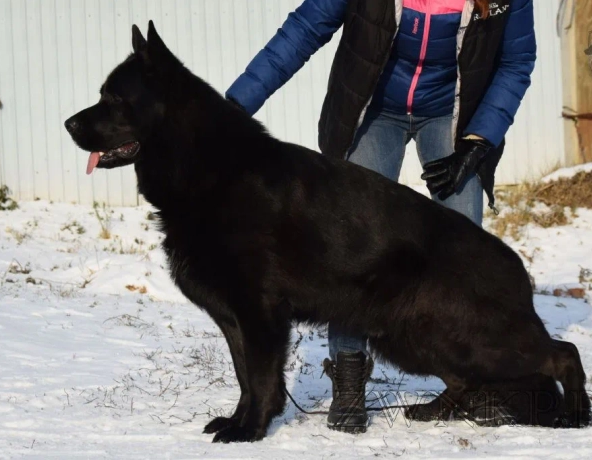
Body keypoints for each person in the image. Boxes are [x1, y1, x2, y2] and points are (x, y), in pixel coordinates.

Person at [226, 0, 536, 433]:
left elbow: (517, 59)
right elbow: (302, 31)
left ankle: (471, 380)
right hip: (374, 110)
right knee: (347, 247)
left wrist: (478, 140)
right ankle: (349, 373)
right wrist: (234, 107)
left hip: (453, 113)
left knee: (464, 252)